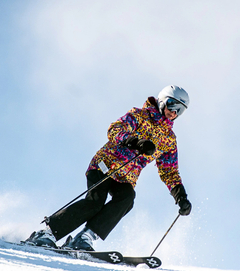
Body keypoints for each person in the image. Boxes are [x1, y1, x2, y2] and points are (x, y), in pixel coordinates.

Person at [23, 85, 193, 251]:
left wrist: (181, 197)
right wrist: (136, 142)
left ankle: (85, 237)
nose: (174, 112)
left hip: (126, 177)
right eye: (172, 105)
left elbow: (169, 171)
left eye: (180, 110)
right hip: (105, 165)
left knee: (127, 199)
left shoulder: (168, 139)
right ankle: (47, 233)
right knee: (95, 202)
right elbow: (114, 130)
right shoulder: (140, 115)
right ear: (162, 101)